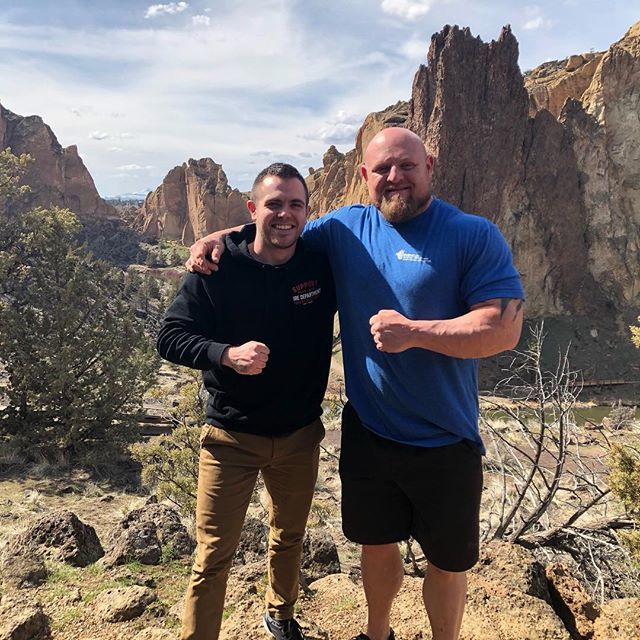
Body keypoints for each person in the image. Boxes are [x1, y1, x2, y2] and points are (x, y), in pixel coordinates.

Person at [187, 128, 525, 640]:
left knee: (448, 562)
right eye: (383, 169)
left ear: (429, 166)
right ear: (364, 177)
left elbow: (503, 329)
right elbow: (281, 226)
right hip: (369, 431)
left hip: (446, 436)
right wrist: (222, 238)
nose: (396, 178)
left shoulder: (472, 234)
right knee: (375, 543)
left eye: (407, 166)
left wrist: (413, 333)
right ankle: (376, 633)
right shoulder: (345, 228)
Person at [157, 162, 336, 640]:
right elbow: (170, 337)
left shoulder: (320, 262)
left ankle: (280, 616)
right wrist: (226, 355)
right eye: (273, 204)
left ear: (308, 212)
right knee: (213, 556)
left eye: (295, 205)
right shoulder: (217, 267)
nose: (284, 214)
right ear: (252, 209)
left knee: (290, 537)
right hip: (230, 438)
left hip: (299, 436)